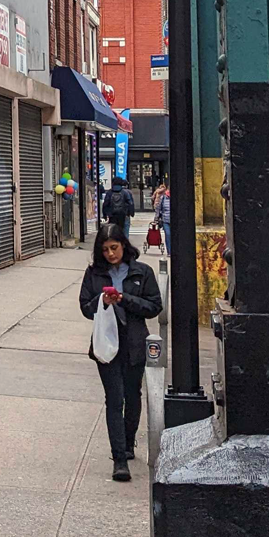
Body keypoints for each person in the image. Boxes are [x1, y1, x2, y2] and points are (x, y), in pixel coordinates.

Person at [79, 225, 162, 481]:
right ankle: (118, 458)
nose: (110, 254)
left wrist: (125, 299)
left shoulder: (142, 272)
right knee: (114, 399)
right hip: (106, 341)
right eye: (104, 250)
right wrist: (102, 302)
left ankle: (128, 443)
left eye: (114, 248)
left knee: (132, 395)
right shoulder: (94, 274)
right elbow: (85, 307)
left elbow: (154, 306)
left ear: (124, 246)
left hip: (134, 341)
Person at [156, 179, 172, 257]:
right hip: (165, 220)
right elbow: (158, 208)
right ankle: (169, 251)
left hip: (174, 220)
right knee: (168, 235)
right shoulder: (163, 198)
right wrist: (156, 218)